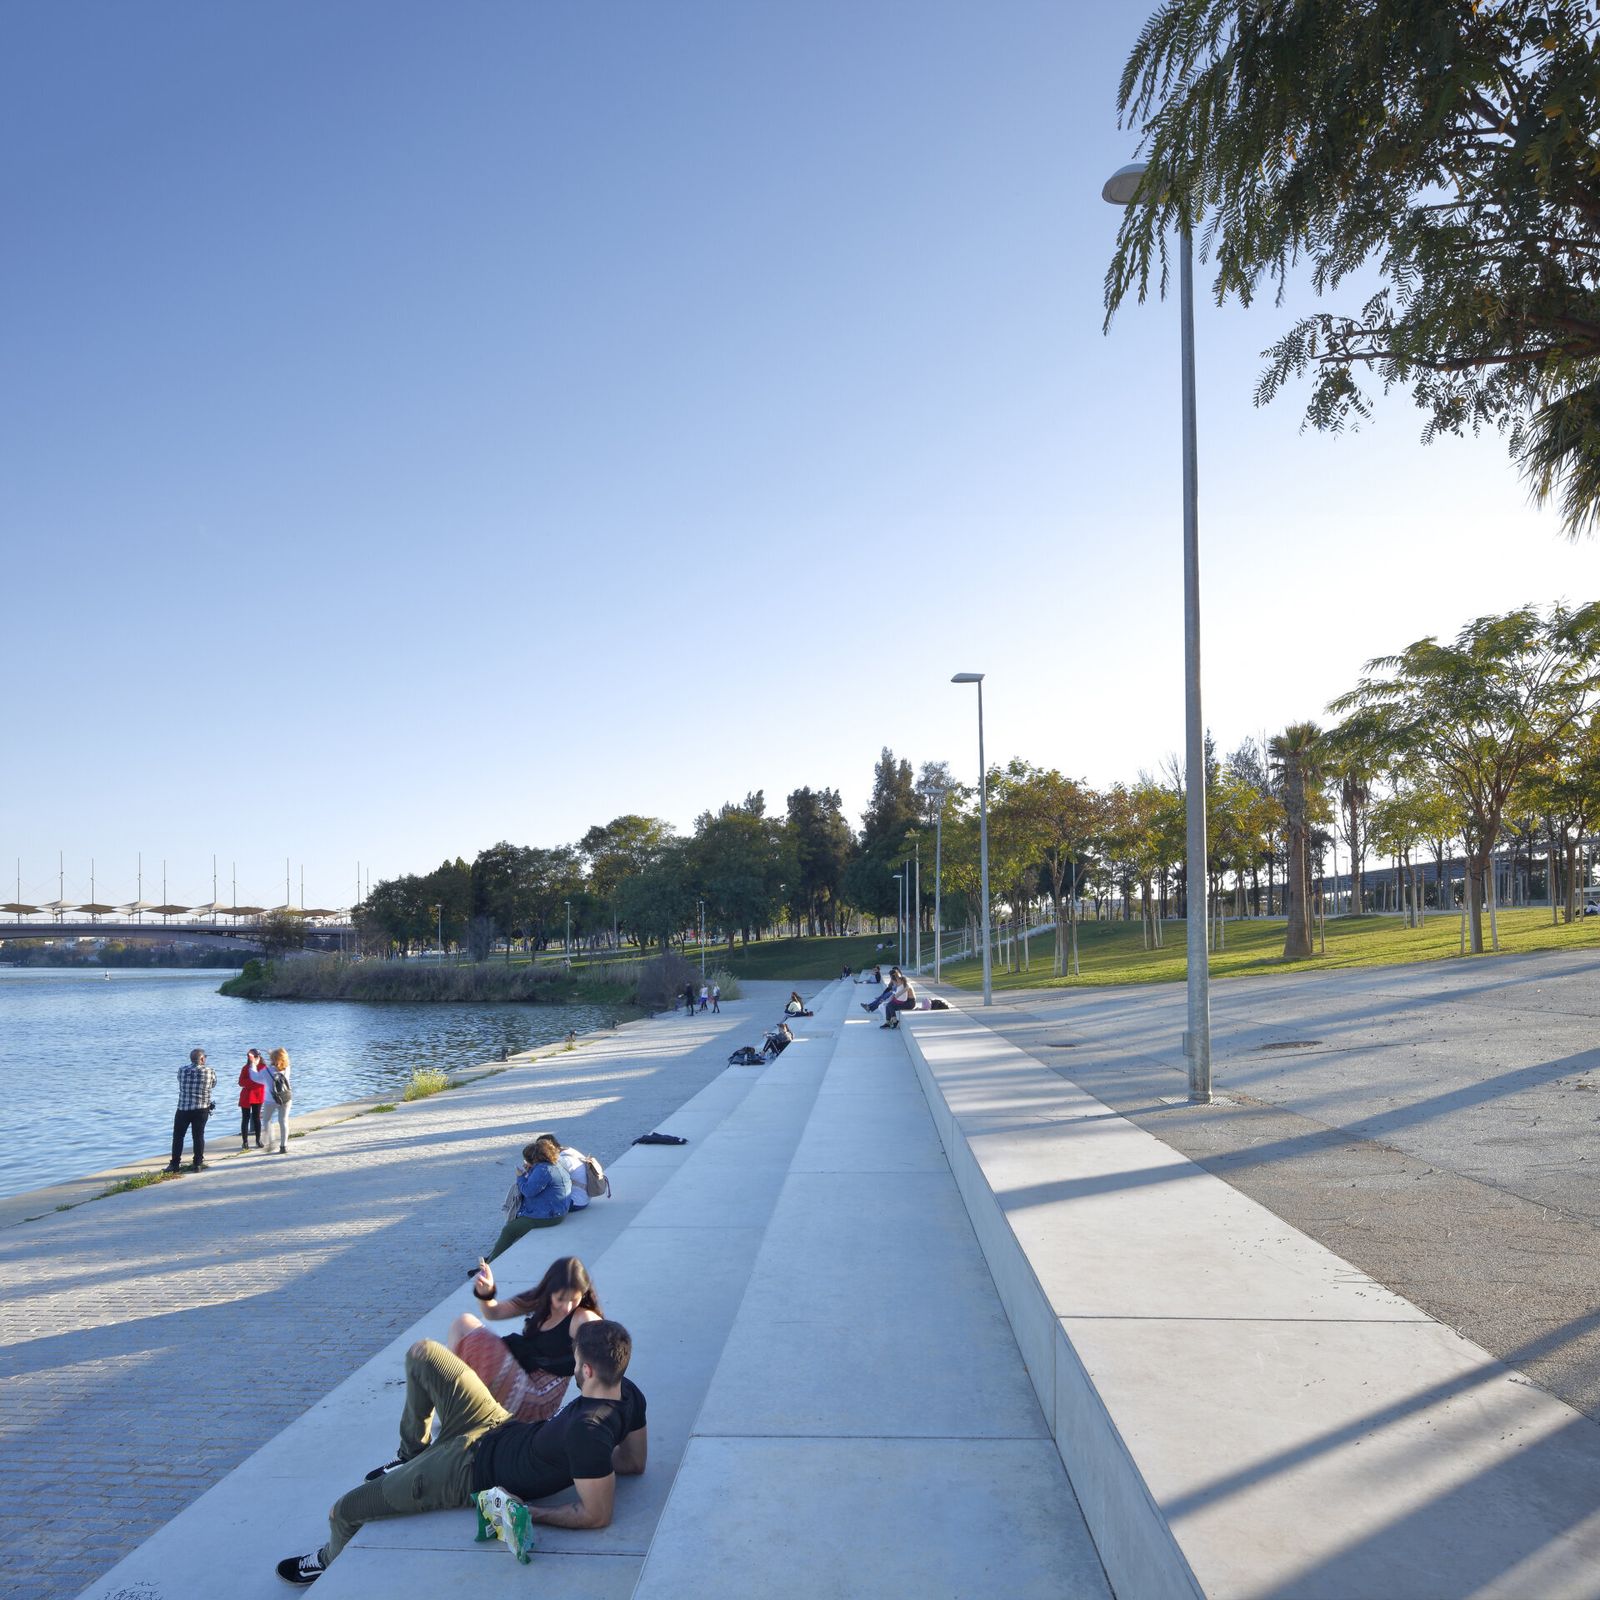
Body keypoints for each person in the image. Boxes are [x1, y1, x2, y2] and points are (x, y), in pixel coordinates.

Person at [274, 1320, 646, 1586]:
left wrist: (530, 1511)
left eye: (575, 1360)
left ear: (589, 1369)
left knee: (343, 1511)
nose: (572, 1366)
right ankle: (412, 1452)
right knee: (424, 1353)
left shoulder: (587, 1433)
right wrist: (582, 1466)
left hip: (465, 1469)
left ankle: (324, 1561)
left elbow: (596, 1515)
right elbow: (633, 1462)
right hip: (495, 1423)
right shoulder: (628, 1392)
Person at [438, 1255, 603, 1426]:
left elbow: (605, 1361)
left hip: (538, 1399)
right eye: (561, 1299)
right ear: (549, 1290)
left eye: (573, 1299)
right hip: (521, 1376)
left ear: (582, 1294)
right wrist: (485, 1293)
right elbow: (493, 1313)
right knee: (462, 1324)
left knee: (463, 1325)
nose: (567, 1307)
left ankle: (452, 1413)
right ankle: (451, 1411)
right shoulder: (540, 1300)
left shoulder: (583, 1319)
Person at [486, 1137, 572, 1260]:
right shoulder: (555, 1164)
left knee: (509, 1229)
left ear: (535, 1158)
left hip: (550, 1216)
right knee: (515, 1222)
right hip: (558, 1210)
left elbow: (528, 1191)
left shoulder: (543, 1169)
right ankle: (495, 1254)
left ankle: (490, 1263)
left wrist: (520, 1176)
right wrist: (530, 1172)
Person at [166, 1047, 215, 1173]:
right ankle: (197, 1164)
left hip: (183, 1108)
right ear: (202, 1059)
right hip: (201, 1108)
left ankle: (175, 1164)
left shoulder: (182, 1070)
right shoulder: (209, 1071)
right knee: (198, 1136)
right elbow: (213, 1084)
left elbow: (179, 1081)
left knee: (178, 1136)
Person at [262, 1047, 293, 1154]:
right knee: (283, 1121)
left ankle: (271, 1141)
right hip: (286, 1097)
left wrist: (253, 1064)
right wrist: (273, 1055)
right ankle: (283, 1146)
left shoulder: (267, 1071)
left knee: (266, 1120)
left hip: (271, 1099)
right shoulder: (287, 1068)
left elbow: (255, 1077)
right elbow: (281, 1061)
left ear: (273, 1059)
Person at [238, 1048, 268, 1151]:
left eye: (255, 1056)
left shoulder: (263, 1067)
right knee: (245, 1119)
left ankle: (258, 1140)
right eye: (251, 1057)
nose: (253, 1058)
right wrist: (254, 1082)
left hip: (258, 1095)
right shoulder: (245, 1068)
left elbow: (263, 1081)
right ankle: (245, 1142)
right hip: (246, 1096)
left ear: (259, 1057)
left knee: (257, 1118)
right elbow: (241, 1082)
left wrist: (251, 1082)